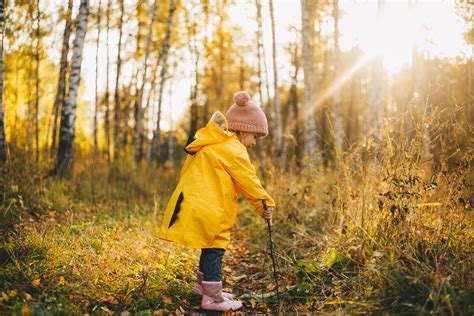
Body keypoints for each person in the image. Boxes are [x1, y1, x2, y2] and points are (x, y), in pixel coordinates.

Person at [159, 91, 276, 311]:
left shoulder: (215, 143)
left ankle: (204, 287)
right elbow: (249, 181)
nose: (254, 143)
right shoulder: (234, 150)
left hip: (197, 201)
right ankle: (212, 299)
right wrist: (264, 205)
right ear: (244, 130)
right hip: (211, 207)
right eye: (255, 137)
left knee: (209, 245)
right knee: (216, 246)